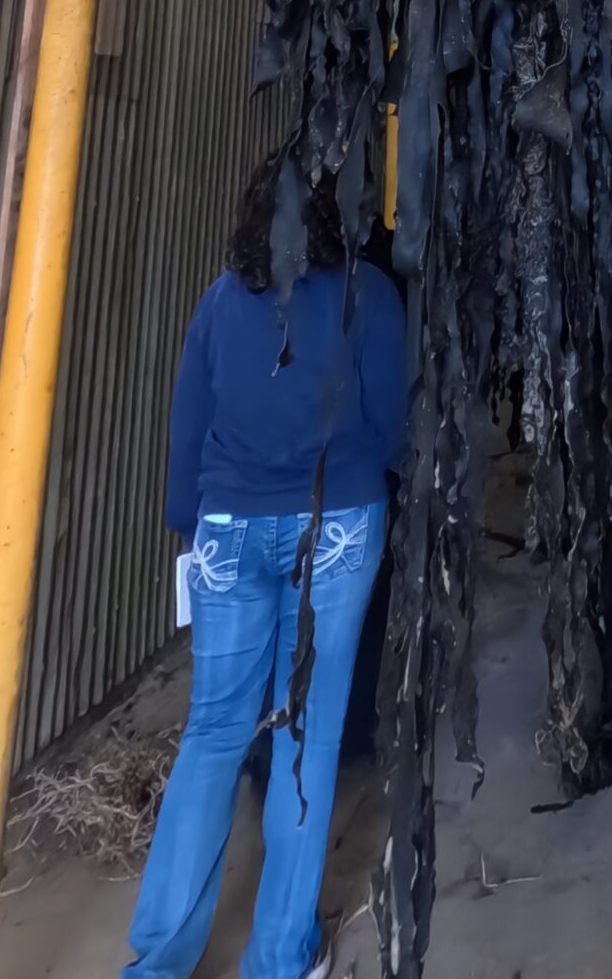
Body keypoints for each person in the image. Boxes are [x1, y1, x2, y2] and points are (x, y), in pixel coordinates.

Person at [125, 154, 407, 979]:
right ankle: (281, 959)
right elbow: (392, 419)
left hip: (229, 534)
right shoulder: (368, 296)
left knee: (212, 735)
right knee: (305, 737)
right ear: (329, 222)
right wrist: (377, 475)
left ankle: (155, 962)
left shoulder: (218, 304)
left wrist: (191, 530)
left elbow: (189, 425)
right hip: (337, 528)